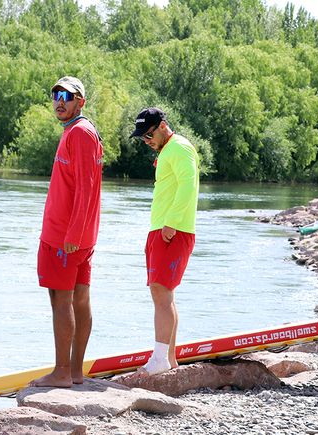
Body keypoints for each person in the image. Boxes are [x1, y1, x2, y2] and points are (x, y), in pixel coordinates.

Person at [30, 76, 103, 388]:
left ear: (80, 102)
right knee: (78, 298)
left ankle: (62, 373)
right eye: (56, 94)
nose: (60, 101)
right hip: (71, 234)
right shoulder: (74, 132)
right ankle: (74, 373)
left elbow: (86, 188)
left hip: (66, 237)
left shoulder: (81, 133)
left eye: (68, 96)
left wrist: (73, 233)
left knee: (63, 300)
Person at [129, 107, 199, 377]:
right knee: (164, 294)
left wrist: (170, 222)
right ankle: (168, 358)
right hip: (162, 228)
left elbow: (188, 184)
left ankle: (159, 360)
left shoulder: (179, 147)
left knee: (160, 291)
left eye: (148, 135)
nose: (147, 141)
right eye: (142, 138)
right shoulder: (167, 150)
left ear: (162, 126)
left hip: (173, 229)